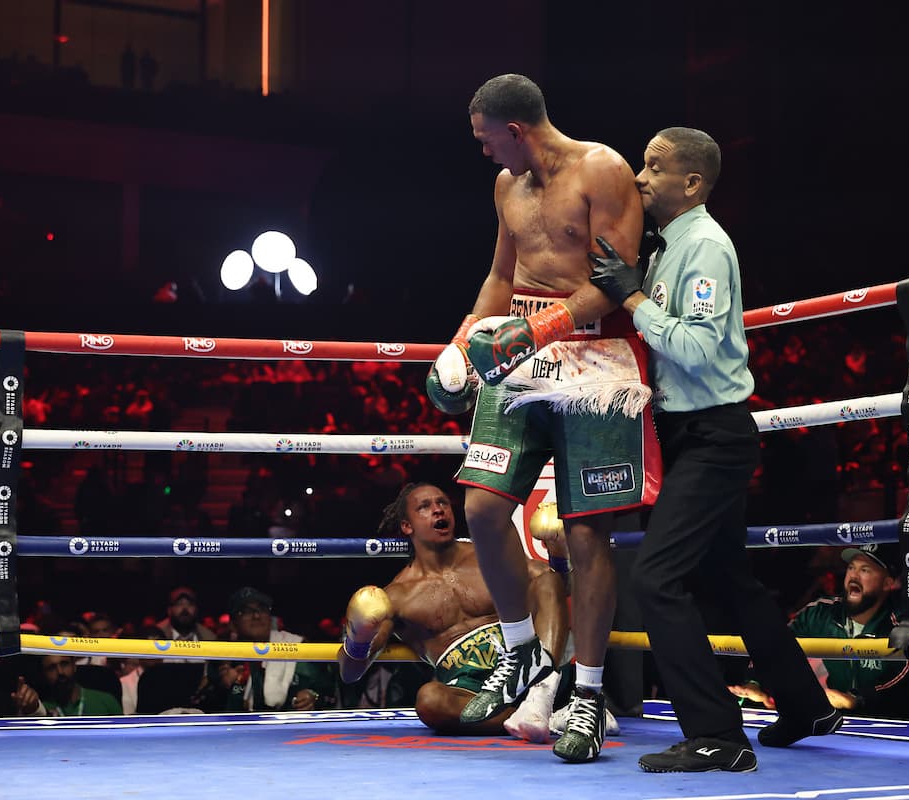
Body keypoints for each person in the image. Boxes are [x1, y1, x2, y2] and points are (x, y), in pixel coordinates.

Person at [588, 126, 839, 773]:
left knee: (656, 577)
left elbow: (697, 350)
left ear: (692, 182)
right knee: (728, 576)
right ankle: (805, 705)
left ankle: (716, 734)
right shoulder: (671, 245)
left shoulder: (704, 247)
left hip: (713, 434)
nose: (640, 178)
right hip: (690, 434)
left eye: (653, 167)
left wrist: (634, 296)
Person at [425, 73, 656, 764]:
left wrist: (543, 328)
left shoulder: (602, 169)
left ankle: (586, 692)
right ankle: (523, 650)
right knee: (484, 508)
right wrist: (463, 342)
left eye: (487, 140)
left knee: (587, 538)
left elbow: (618, 279)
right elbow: (503, 276)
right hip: (521, 356)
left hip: (597, 359)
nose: (486, 154)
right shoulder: (508, 189)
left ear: (515, 130)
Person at [338, 482, 595, 741]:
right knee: (429, 700)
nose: (438, 510)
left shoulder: (488, 554)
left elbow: (555, 588)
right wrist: (359, 636)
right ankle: (545, 717)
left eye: (443, 503)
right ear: (407, 526)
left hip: (530, 669)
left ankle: (543, 694)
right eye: (425, 507)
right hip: (474, 691)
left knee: (546, 578)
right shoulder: (397, 596)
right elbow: (350, 673)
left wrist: (558, 553)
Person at [729, 545, 909, 721]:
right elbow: (777, 645)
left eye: (865, 570)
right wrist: (755, 682)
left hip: (898, 726)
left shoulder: (903, 622)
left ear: (888, 583)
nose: (854, 575)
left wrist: (855, 699)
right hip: (839, 726)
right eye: (851, 568)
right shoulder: (820, 612)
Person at [212, 586, 335, 712]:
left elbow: (326, 691)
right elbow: (204, 705)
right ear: (233, 624)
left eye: (263, 609)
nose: (256, 615)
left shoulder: (295, 647)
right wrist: (223, 688)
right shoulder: (219, 655)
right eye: (246, 611)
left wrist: (312, 697)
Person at [38, 653, 123, 717]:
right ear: (44, 674)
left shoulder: (106, 701)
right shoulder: (43, 709)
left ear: (74, 666)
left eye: (64, 664)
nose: (60, 672)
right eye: (52, 668)